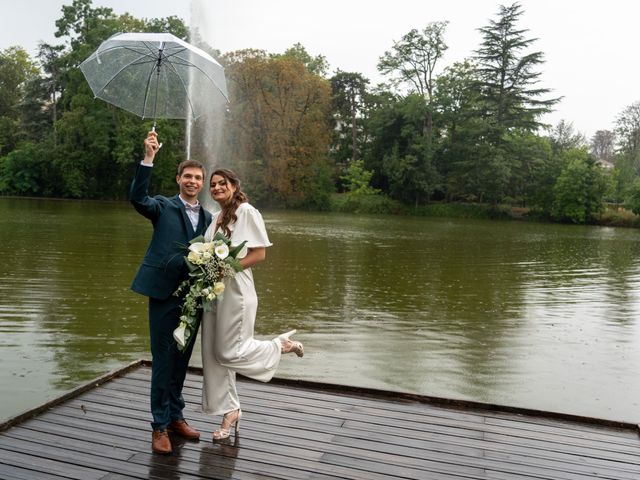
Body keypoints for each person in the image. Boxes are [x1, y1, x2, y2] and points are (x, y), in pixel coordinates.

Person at [201, 168, 304, 440]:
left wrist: (227, 268)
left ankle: (279, 346)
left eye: (222, 183)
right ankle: (230, 410)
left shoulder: (247, 212)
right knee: (213, 356)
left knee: (228, 352)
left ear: (234, 186)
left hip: (237, 291)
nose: (216, 188)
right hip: (215, 291)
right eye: (212, 185)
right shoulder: (215, 218)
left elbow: (259, 254)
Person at [130, 131, 213, 454]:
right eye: (187, 176)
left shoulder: (207, 218)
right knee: (164, 360)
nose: (192, 182)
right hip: (164, 293)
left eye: (198, 178)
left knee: (181, 360)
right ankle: (159, 426)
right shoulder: (162, 207)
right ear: (178, 179)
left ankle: (176, 416)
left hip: (193, 298)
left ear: (202, 183)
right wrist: (148, 157)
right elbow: (138, 198)